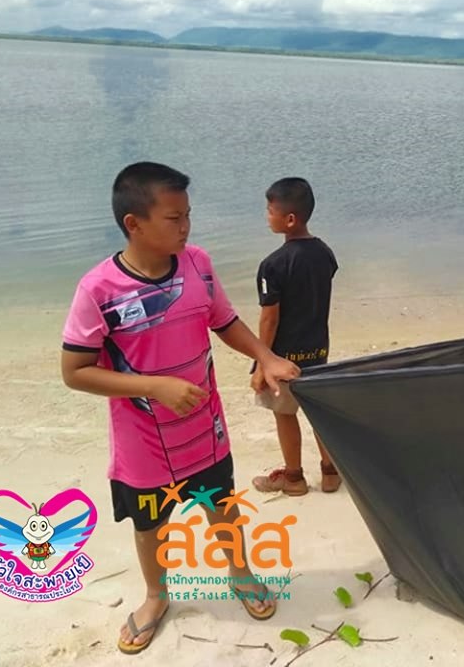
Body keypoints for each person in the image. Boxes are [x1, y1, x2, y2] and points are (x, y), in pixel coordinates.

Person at [60, 162, 300, 654]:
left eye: (188, 214)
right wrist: (154, 386)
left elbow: (224, 320)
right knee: (151, 525)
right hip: (145, 443)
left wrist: (266, 356)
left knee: (222, 508)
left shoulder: (197, 264)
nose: (186, 226)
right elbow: (75, 371)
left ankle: (240, 572)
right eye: (174, 218)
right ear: (134, 223)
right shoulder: (99, 289)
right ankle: (156, 595)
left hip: (205, 429)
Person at [250, 177, 340, 497]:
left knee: (284, 414)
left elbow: (270, 318)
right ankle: (330, 473)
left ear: (289, 219)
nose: (266, 215)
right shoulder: (325, 254)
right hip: (318, 352)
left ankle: (294, 478)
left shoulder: (272, 265)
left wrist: (262, 362)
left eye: (270, 210)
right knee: (318, 416)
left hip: (283, 357)